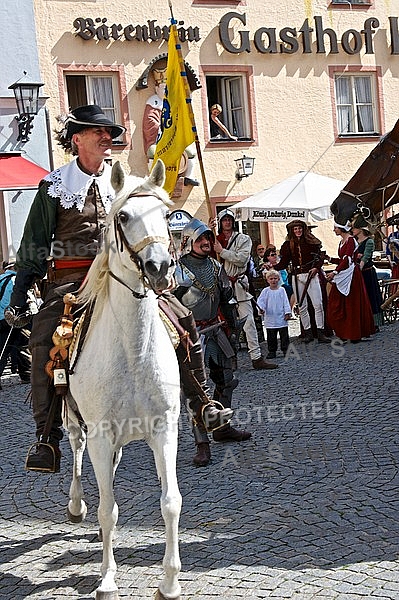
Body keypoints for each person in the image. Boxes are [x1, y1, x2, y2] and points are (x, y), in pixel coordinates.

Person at [5, 104, 228, 474]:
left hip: (125, 275)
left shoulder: (128, 182)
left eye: (110, 134)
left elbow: (154, 226)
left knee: (183, 319)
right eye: (99, 133)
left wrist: (165, 266)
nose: (109, 139)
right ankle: (47, 436)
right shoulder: (54, 188)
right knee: (44, 339)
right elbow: (33, 245)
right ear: (77, 140)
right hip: (72, 282)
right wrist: (19, 294)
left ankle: (203, 403)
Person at [174, 218, 252, 466]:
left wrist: (232, 329)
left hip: (216, 331)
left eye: (209, 238)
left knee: (226, 382)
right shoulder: (177, 270)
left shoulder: (217, 268)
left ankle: (222, 427)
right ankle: (202, 443)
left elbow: (227, 300)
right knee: (195, 390)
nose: (207, 242)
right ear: (188, 242)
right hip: (189, 335)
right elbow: (167, 306)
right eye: (201, 239)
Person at [212, 208, 277, 369]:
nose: (227, 222)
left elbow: (241, 260)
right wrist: (208, 233)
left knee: (248, 323)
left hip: (239, 285)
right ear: (220, 223)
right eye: (224, 220)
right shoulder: (214, 239)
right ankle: (231, 359)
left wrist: (222, 251)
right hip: (222, 287)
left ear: (233, 221)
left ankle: (256, 357)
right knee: (226, 325)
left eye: (229, 219)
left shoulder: (243, 239)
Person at [143, 68, 199, 187]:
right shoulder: (154, 102)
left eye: (167, 88)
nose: (166, 91)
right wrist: (160, 127)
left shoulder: (174, 103)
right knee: (153, 152)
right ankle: (153, 178)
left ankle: (188, 176)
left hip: (174, 140)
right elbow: (150, 121)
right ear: (157, 88)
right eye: (163, 88)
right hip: (158, 139)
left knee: (190, 152)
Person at [276, 220, 330, 344]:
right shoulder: (288, 245)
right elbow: (284, 262)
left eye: (299, 228)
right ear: (292, 231)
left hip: (311, 275)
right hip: (297, 276)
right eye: (295, 229)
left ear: (303, 229)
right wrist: (274, 268)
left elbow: (320, 258)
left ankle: (320, 332)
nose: (297, 231)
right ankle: (308, 332)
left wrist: (316, 268)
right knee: (302, 305)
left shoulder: (312, 242)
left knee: (318, 304)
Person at [326, 223, 375, 342]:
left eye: (336, 228)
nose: (334, 230)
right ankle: (344, 331)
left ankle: (354, 333)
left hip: (352, 276)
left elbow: (348, 260)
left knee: (352, 304)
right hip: (345, 274)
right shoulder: (342, 242)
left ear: (342, 228)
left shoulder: (351, 241)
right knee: (339, 303)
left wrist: (335, 272)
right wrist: (330, 259)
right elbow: (343, 259)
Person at [0, 262, 31, 389]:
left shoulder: (0, 278)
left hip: (0, 319)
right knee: (22, 345)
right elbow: (17, 300)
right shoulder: (16, 281)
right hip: (13, 319)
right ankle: (26, 374)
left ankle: (25, 374)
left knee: (3, 347)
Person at [352, 216, 384, 331]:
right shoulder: (354, 241)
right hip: (357, 273)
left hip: (367, 273)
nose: (352, 230)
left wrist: (359, 266)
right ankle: (364, 323)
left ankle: (374, 324)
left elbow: (366, 257)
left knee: (371, 297)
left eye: (354, 228)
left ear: (360, 229)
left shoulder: (369, 241)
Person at [257, 269, 291, 359]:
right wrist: (261, 309)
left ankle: (285, 350)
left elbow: (286, 302)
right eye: (271, 279)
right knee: (271, 336)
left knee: (284, 336)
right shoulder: (265, 291)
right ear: (267, 280)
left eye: (275, 278)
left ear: (278, 279)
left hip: (281, 316)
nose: (273, 280)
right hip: (270, 317)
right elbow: (261, 302)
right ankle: (272, 351)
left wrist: (287, 312)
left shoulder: (282, 290)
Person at [261, 249, 296, 313]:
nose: (274, 256)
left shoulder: (280, 264)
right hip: (278, 285)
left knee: (295, 291)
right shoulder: (267, 266)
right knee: (291, 290)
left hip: (285, 283)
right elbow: (267, 276)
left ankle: (290, 310)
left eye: (275, 254)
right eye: (272, 255)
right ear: (267, 257)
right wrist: (270, 269)